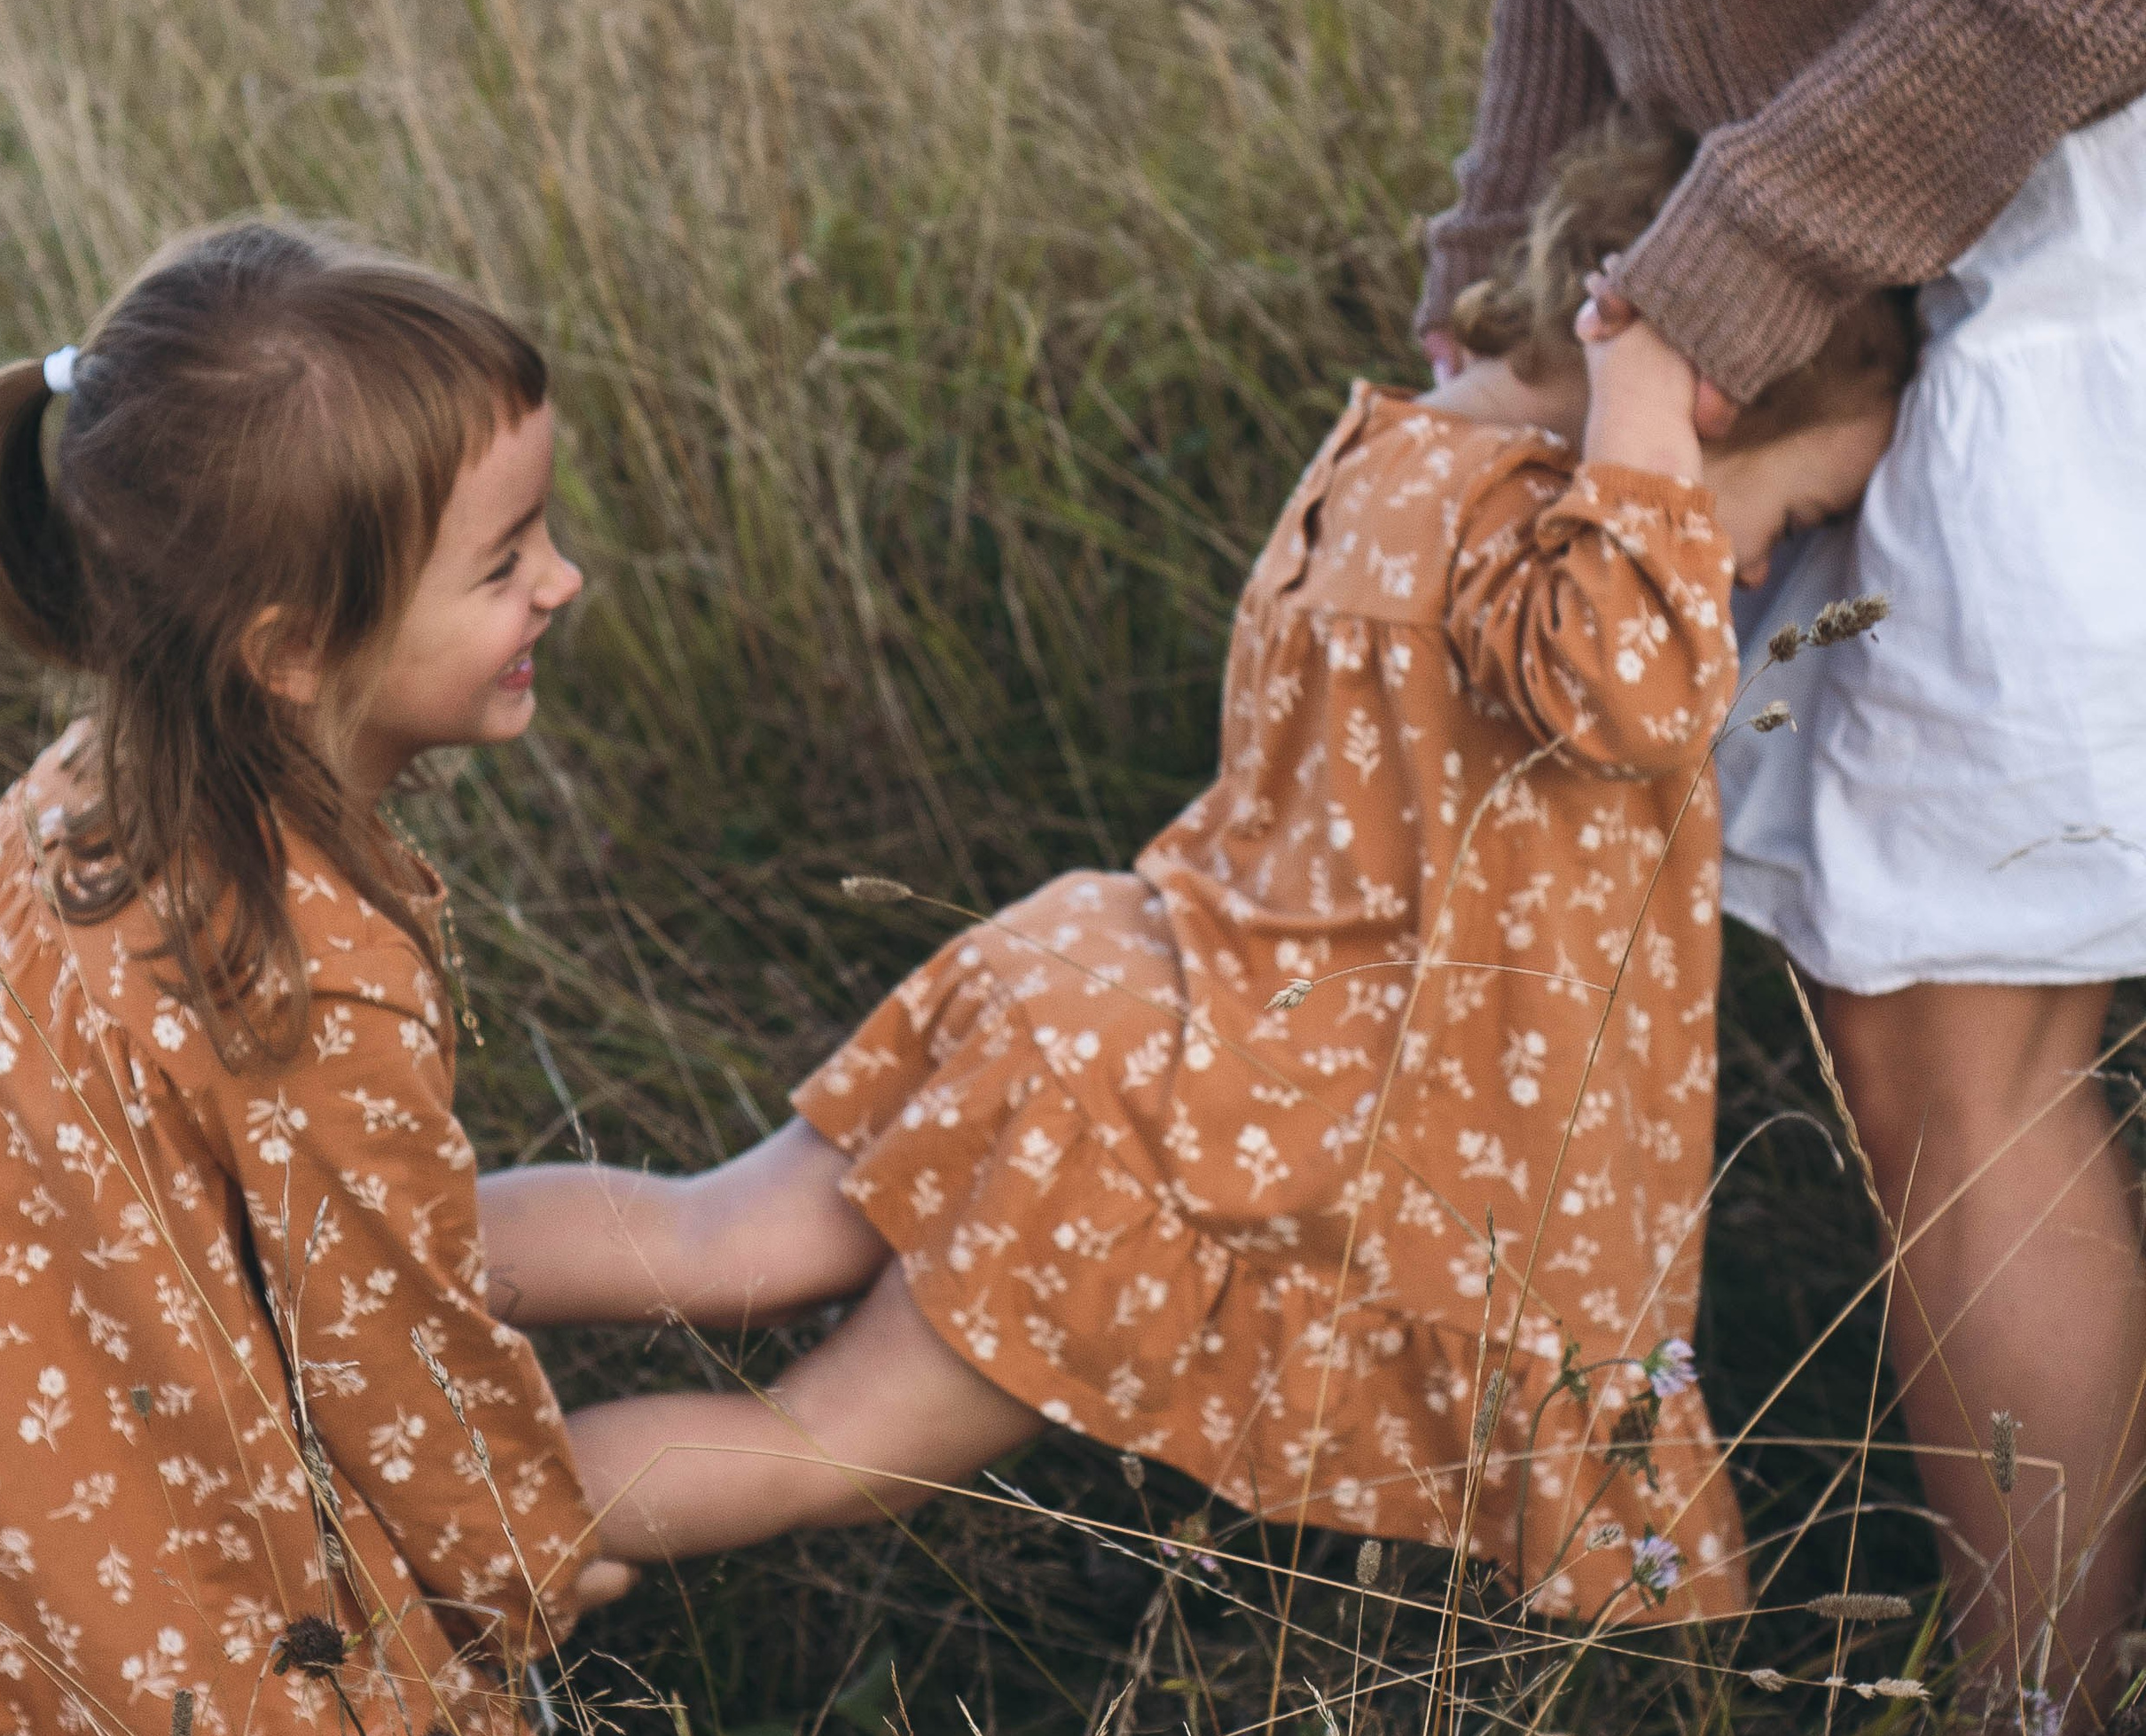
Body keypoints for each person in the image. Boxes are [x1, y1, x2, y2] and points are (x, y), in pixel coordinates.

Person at [932, 0, 2146, 1736]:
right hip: (1925, 215)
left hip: (2094, 209)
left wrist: (1736, 257)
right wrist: (1504, 275)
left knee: (1956, 1051)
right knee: (1915, 1034)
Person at [497, 121, 1907, 1630]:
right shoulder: (1558, 562)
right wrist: (1647, 393)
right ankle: (400, 1539)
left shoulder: (1395, 460)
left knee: (714, 1233)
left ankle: (319, 1249)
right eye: (1799, 516)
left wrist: (1637, 403)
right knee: (816, 1450)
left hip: (1101, 992)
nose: (1752, 572)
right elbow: (1638, 685)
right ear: (1706, 398)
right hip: (1185, 1121)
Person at [0, 221, 637, 1736]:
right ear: (294, 648)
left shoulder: (86, 790)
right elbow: (395, 1361)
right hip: (140, 1506)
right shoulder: (299, 973)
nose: (565, 579)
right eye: (504, 561)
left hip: (3, 1462)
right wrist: (522, 1574)